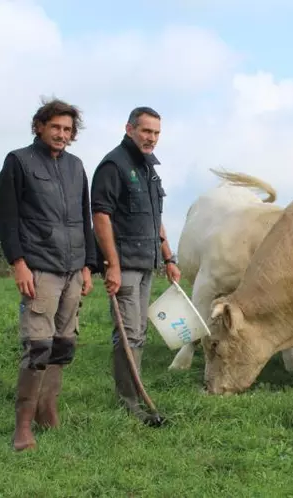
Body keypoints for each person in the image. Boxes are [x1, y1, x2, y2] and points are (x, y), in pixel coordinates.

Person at [0, 98, 96, 451]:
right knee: (39, 346)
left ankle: (47, 409)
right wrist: (18, 263)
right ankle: (22, 428)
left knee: (64, 345)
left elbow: (84, 218)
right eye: (55, 127)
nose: (62, 134)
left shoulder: (76, 166)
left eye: (68, 129)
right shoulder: (19, 161)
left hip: (73, 267)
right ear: (39, 126)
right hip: (39, 267)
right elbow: (6, 218)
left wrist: (88, 265)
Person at [90, 106, 180, 427]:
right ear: (129, 129)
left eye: (156, 133)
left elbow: (155, 219)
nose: (151, 138)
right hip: (125, 262)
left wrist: (169, 258)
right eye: (145, 131)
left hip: (147, 263)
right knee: (128, 333)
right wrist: (111, 265)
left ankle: (135, 395)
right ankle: (129, 403)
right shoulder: (114, 165)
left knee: (139, 332)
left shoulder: (148, 169)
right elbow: (100, 216)